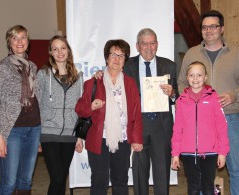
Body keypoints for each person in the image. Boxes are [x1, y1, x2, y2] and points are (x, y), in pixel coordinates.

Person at [177, 10, 239, 195]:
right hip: (199, 124)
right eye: (205, 27)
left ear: (222, 29)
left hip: (229, 119)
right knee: (203, 174)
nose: (208, 30)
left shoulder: (236, 53)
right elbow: (181, 82)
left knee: (236, 169)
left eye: (213, 26)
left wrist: (234, 95)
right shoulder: (191, 53)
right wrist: (190, 101)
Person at [95, 28, 178, 195]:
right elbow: (111, 74)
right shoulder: (127, 65)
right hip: (137, 126)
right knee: (139, 173)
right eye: (144, 43)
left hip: (162, 127)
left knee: (162, 174)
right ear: (137, 46)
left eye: (152, 43)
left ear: (157, 45)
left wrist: (173, 93)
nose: (148, 47)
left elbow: (178, 94)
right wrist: (99, 74)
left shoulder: (169, 65)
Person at [76, 39, 143, 195]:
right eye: (113, 54)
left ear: (125, 60)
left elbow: (136, 113)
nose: (117, 59)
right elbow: (80, 109)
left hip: (123, 139)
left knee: (121, 181)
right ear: (107, 57)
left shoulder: (130, 83)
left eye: (121, 55)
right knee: (99, 182)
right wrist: (91, 106)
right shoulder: (92, 83)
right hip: (98, 139)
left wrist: (137, 139)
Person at [0, 25, 41, 195]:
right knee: (9, 182)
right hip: (12, 132)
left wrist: (39, 135)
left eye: (23, 37)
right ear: (9, 42)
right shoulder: (0, 68)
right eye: (15, 38)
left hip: (34, 128)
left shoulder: (32, 67)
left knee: (25, 180)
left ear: (28, 41)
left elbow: (37, 99)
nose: (20, 41)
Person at [171, 61, 229, 195]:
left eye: (199, 75)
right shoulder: (181, 101)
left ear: (205, 77)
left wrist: (222, 152)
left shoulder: (214, 99)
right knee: (193, 187)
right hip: (188, 153)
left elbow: (221, 127)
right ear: (187, 77)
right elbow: (177, 130)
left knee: (208, 187)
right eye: (191, 75)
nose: (195, 79)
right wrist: (175, 154)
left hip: (210, 152)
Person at [37, 35, 83, 195]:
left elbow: (81, 108)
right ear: (50, 52)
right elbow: (37, 104)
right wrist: (37, 135)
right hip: (49, 133)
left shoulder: (78, 77)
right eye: (55, 49)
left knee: (61, 178)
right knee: (57, 177)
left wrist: (79, 136)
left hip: (70, 134)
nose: (60, 52)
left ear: (68, 50)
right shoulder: (43, 75)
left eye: (63, 47)